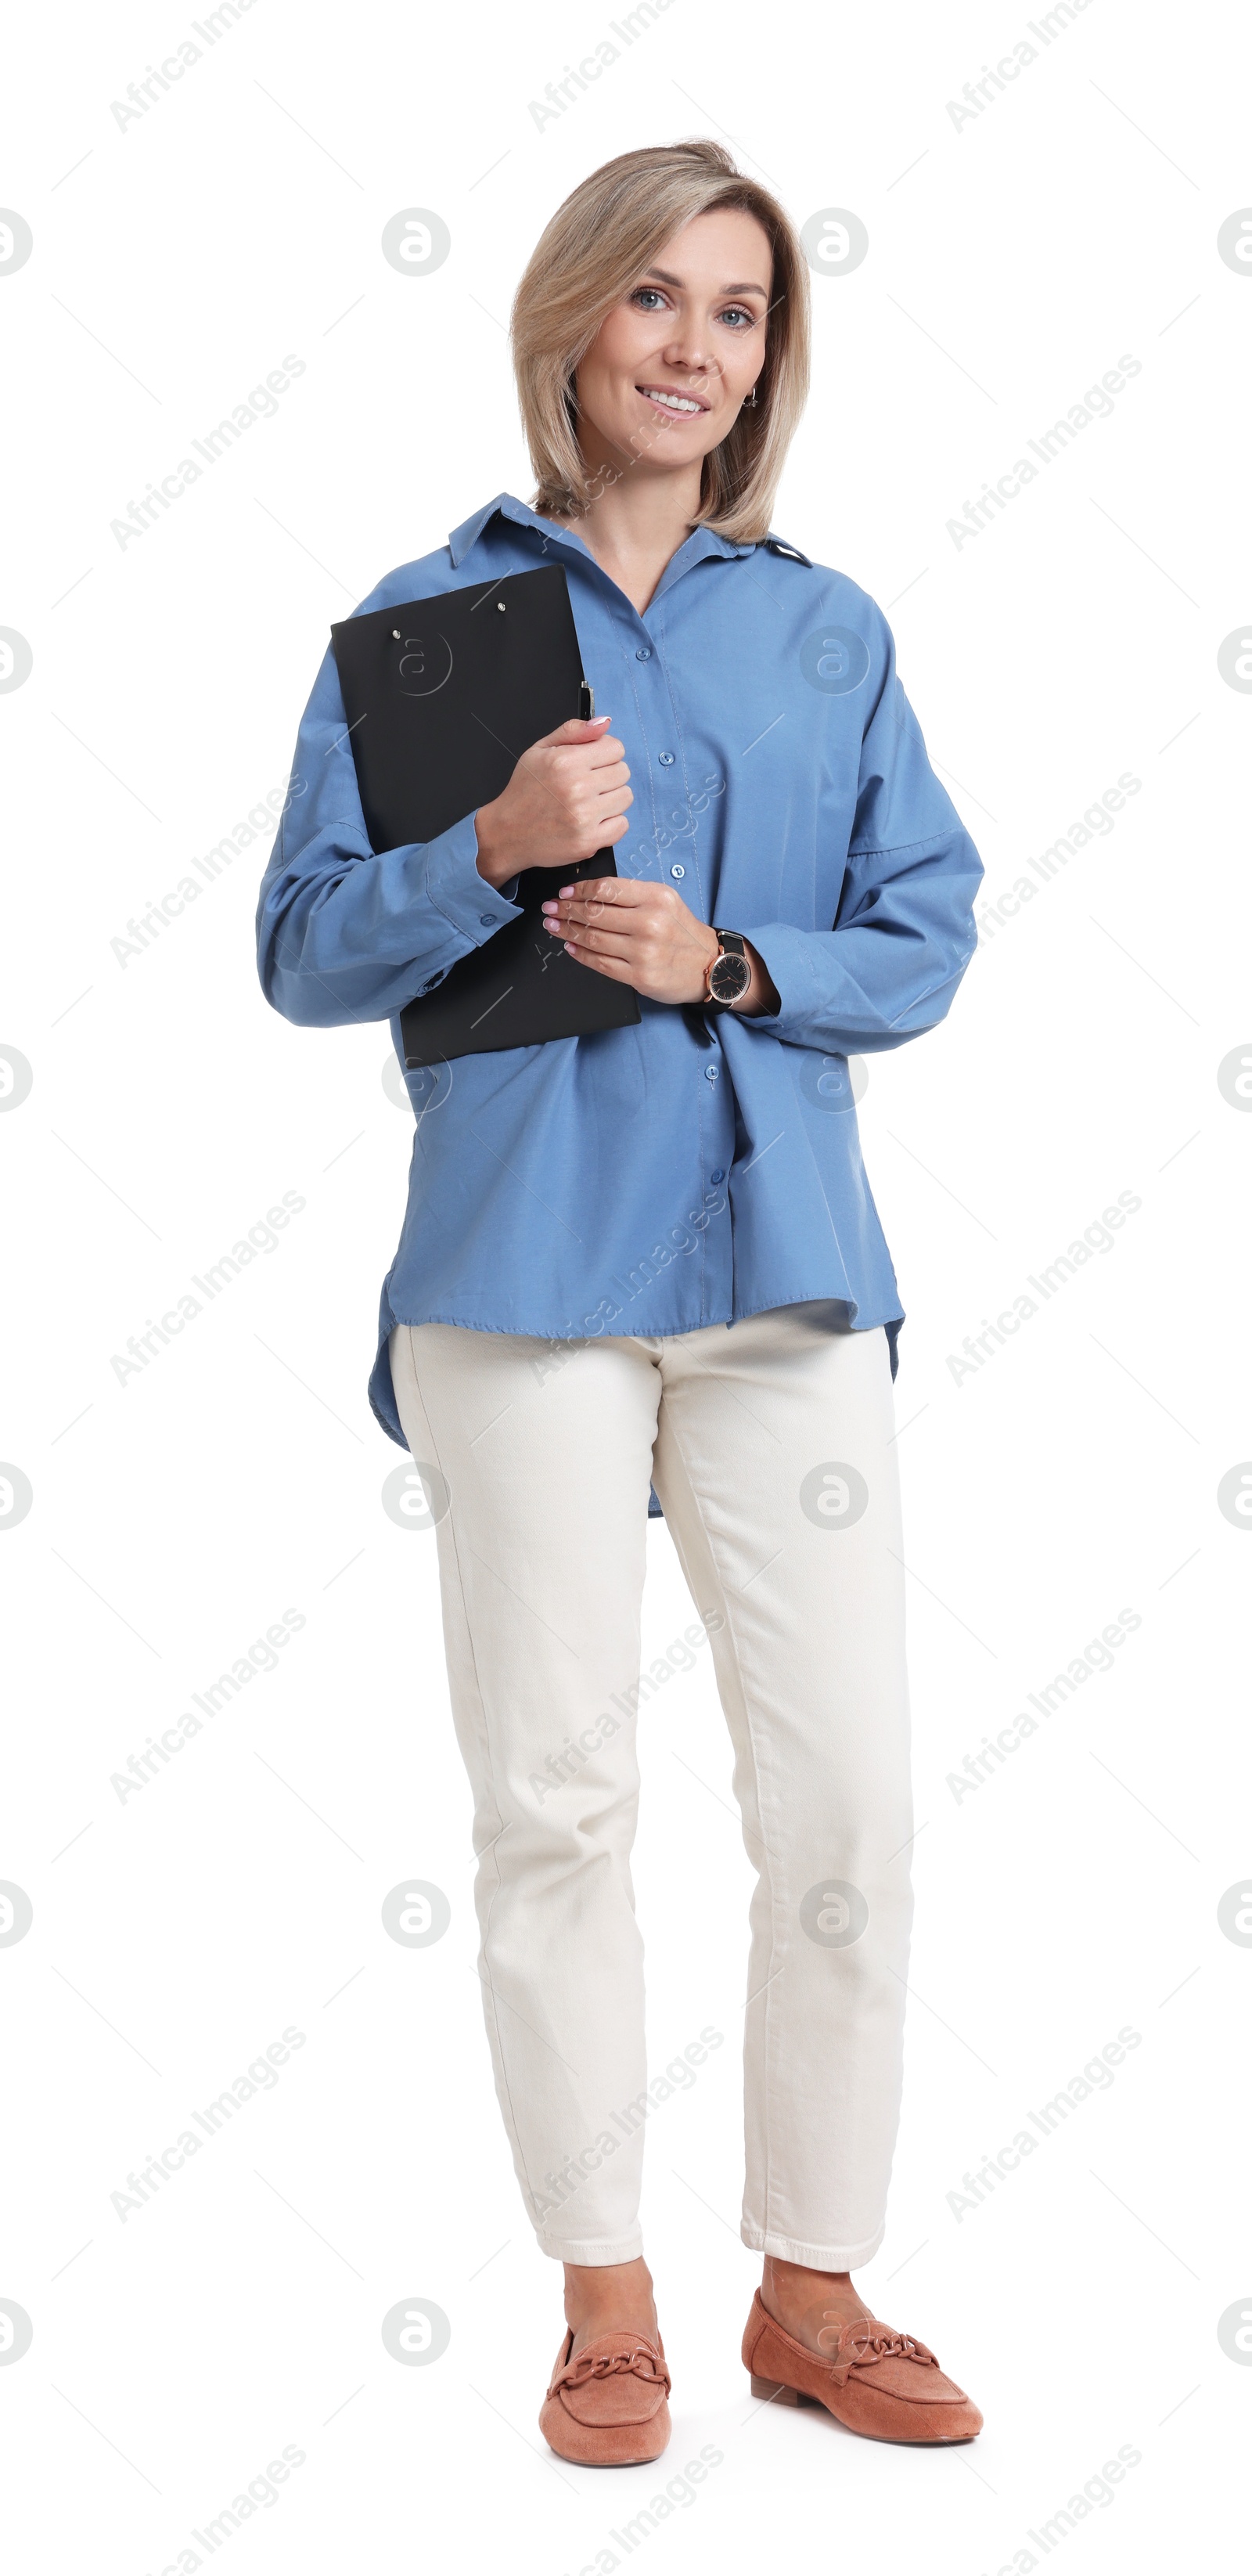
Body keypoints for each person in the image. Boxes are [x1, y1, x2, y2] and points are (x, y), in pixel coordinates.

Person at [257, 139, 985, 2465]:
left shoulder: (826, 626)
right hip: (522, 1269)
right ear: (575, 319)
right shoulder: (427, 617)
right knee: (558, 1792)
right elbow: (299, 949)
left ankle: (813, 2284)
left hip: (783, 1265)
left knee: (850, 1796)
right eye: (657, 299)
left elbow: (932, 924)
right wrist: (487, 847)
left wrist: (733, 957)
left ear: (774, 355)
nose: (695, 347)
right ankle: (605, 2302)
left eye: (742, 312)